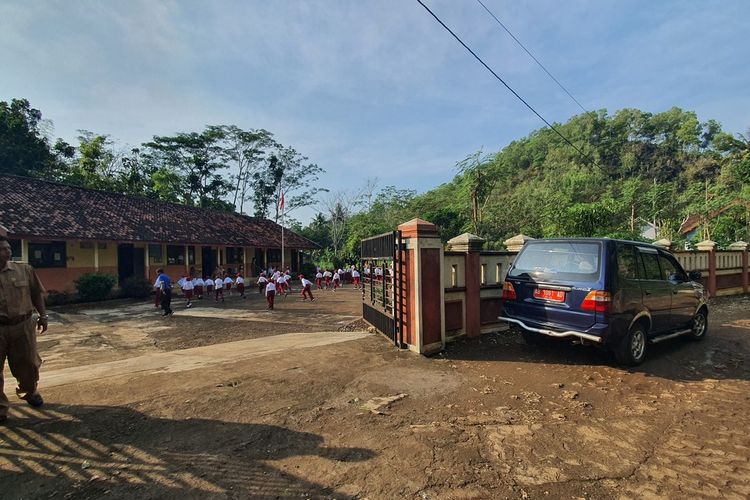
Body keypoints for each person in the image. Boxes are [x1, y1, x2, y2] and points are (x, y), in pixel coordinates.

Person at [0, 231, 47, 423]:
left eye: (8, 248)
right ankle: (1, 410)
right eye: (2, 249)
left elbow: (37, 294)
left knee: (28, 364)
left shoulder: (24, 270)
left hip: (23, 325)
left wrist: (43, 315)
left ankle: (29, 391)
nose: (7, 252)